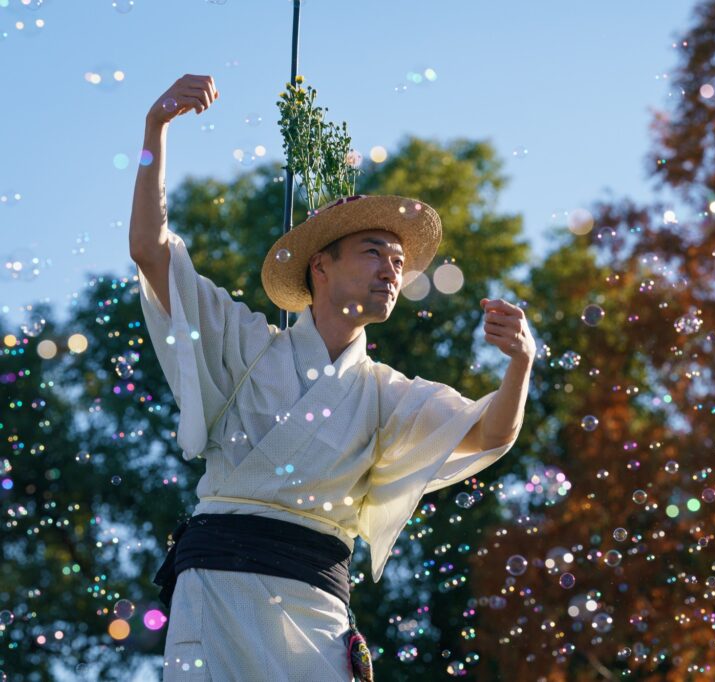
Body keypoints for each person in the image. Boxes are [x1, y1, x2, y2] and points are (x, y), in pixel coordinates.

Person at [129, 74, 535, 681]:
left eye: (399, 263)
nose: (391, 271)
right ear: (321, 264)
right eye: (374, 252)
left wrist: (521, 364)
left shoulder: (385, 393)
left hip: (312, 609)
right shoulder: (245, 345)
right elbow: (151, 251)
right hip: (215, 593)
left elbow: (489, 435)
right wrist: (154, 129)